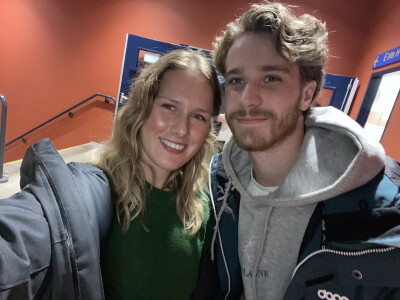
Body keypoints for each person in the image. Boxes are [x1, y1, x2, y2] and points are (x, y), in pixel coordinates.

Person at [208, 1, 400, 299]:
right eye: (236, 80)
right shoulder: (219, 184)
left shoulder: (382, 202)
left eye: (270, 78)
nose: (247, 99)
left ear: (306, 93)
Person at [0, 49, 221, 299]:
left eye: (199, 116)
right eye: (169, 106)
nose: (182, 128)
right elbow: (25, 233)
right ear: (143, 108)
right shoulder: (91, 190)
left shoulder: (203, 209)